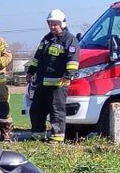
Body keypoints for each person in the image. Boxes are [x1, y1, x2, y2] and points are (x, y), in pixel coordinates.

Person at [26, 9, 80, 143]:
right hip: (41, 83)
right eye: (50, 24)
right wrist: (30, 71)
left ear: (62, 23)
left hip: (58, 85)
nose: (52, 26)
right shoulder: (46, 39)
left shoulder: (69, 40)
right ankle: (38, 136)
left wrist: (68, 75)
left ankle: (57, 137)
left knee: (57, 111)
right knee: (37, 110)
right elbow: (37, 58)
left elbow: (73, 60)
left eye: (55, 24)